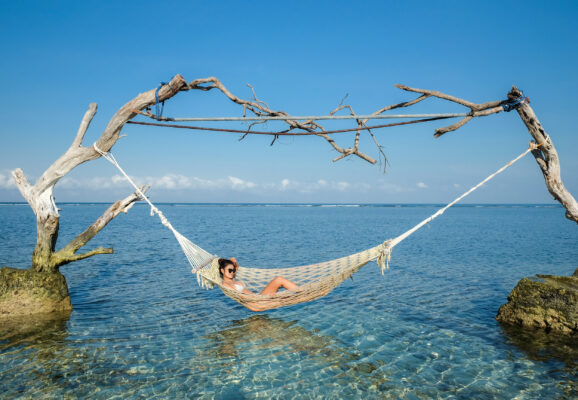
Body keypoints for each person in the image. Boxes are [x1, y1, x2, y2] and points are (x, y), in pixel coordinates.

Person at [218, 258, 299, 296]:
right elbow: (239, 296)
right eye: (229, 270)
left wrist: (233, 261)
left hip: (258, 297)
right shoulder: (225, 284)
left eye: (233, 270)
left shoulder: (232, 278)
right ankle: (301, 292)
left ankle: (301, 293)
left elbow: (236, 266)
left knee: (279, 283)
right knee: (279, 279)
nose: (232, 272)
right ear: (222, 271)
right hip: (255, 301)